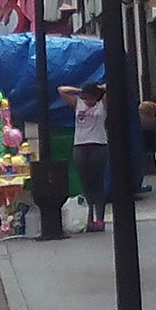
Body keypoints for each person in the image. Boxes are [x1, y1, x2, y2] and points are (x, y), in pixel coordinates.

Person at [59, 82, 109, 232]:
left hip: (98, 144)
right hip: (80, 146)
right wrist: (81, 90)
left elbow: (112, 86)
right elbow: (62, 90)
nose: (88, 100)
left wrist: (99, 89)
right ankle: (88, 218)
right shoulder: (78, 104)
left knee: (97, 183)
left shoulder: (102, 105)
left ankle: (100, 218)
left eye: (91, 97)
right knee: (86, 184)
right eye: (86, 97)